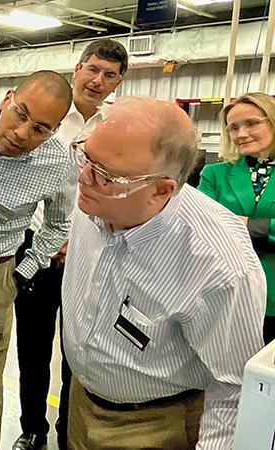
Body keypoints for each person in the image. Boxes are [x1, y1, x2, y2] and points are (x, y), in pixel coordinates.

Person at [62, 96, 265, 450]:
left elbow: (232, 389)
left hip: (155, 426)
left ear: (161, 190)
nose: (84, 177)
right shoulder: (96, 199)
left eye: (105, 174)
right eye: (86, 156)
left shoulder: (217, 265)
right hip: (81, 403)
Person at [12, 38, 128, 450]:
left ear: (118, 81)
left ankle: (67, 431)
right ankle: (32, 429)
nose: (98, 80)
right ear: (77, 69)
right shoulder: (47, 117)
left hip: (93, 253)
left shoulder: (117, 127)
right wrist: (53, 240)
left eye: (109, 74)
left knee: (79, 349)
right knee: (33, 349)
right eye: (92, 69)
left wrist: (77, 240)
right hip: (37, 250)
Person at [0, 71, 74, 450]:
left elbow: (59, 224)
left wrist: (22, 274)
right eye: (20, 114)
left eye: (40, 128)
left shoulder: (58, 163)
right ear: (7, 98)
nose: (23, 133)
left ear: (53, 131)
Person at [199, 92, 275, 345]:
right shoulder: (214, 174)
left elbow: (224, 226)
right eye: (233, 127)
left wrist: (249, 226)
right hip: (227, 291)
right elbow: (203, 227)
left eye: (252, 123)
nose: (241, 134)